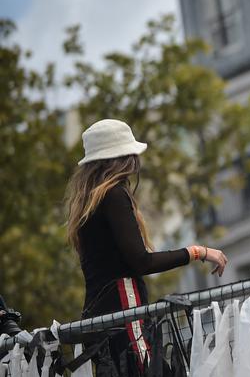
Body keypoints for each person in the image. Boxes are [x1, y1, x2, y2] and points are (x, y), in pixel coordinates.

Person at [65, 119, 227, 359]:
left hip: (98, 313)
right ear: (125, 157)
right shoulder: (114, 196)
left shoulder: (88, 202)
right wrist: (197, 252)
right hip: (123, 307)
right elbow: (141, 261)